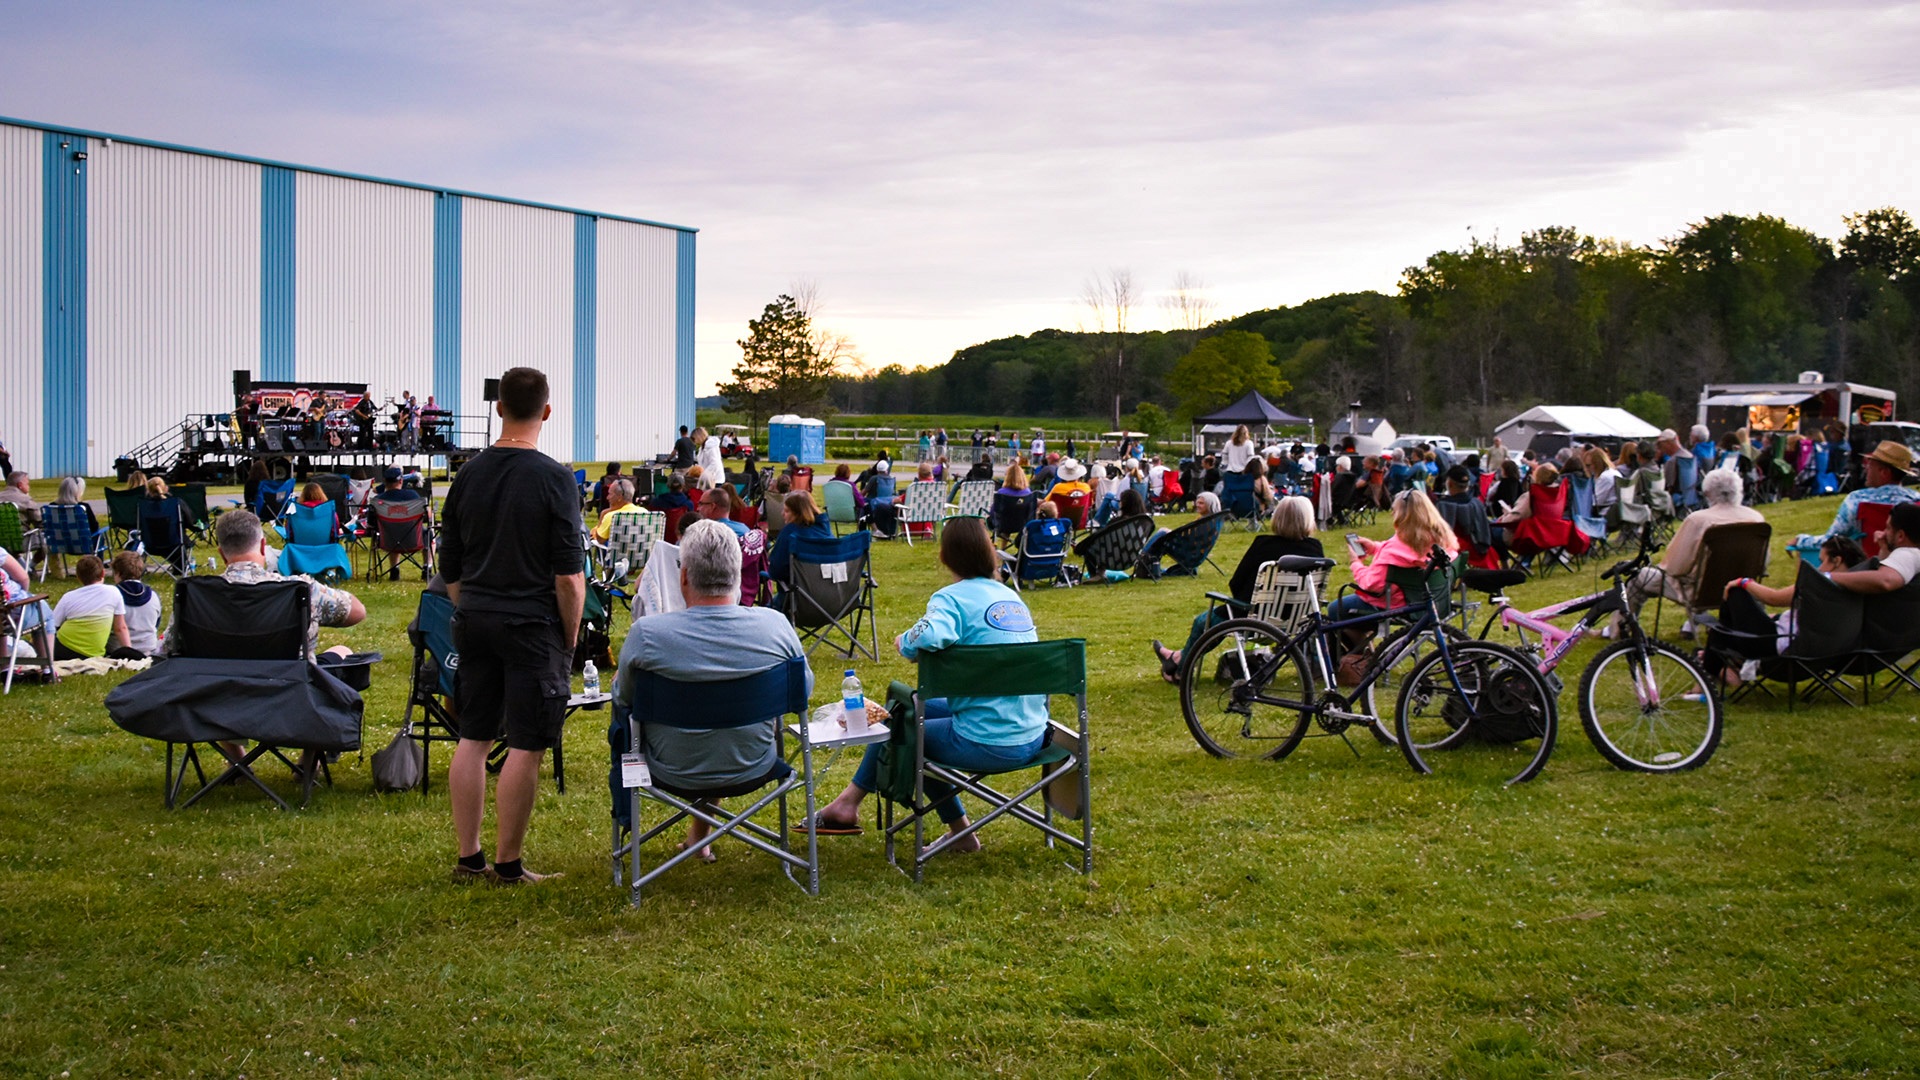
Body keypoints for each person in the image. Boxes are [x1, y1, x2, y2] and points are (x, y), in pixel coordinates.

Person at [808, 518, 1045, 852]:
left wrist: (903, 640)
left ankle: (852, 806)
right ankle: (852, 804)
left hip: (987, 738)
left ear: (945, 556)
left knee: (904, 726)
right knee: (902, 713)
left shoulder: (952, 599)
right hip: (1032, 732)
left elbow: (928, 637)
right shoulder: (1010, 598)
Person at [439, 367, 585, 886]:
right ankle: (507, 864)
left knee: (473, 737)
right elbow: (569, 576)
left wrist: (470, 604)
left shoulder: (468, 474)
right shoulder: (554, 478)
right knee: (527, 742)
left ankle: (468, 856)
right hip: (531, 624)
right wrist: (568, 636)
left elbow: (448, 563)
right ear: (546, 411)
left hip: (474, 618)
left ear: (498, 408)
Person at [614, 518, 811, 861]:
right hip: (753, 762)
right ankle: (701, 835)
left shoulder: (648, 634)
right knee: (726, 719)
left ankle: (631, 826)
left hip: (671, 767)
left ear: (685, 576)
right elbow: (802, 691)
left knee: (624, 713)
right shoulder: (776, 626)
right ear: (737, 575)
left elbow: (624, 698)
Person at [1151, 495, 1322, 682]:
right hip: (1298, 622)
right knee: (1209, 622)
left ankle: (1179, 670)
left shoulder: (1263, 545)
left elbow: (1236, 583)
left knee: (1203, 622)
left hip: (1253, 620)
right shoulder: (1315, 549)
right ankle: (1175, 658)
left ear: (1278, 518)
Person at [1706, 535, 1866, 687]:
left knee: (1735, 595)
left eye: (1822, 561)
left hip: (1776, 646)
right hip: (1820, 654)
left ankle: (1713, 666)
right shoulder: (1858, 589)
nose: (1819, 568)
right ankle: (1717, 664)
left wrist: (1744, 582)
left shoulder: (1820, 586)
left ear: (1837, 561)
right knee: (1721, 631)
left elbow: (1774, 598)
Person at [1622, 467, 1765, 623]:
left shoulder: (1698, 520)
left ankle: (1620, 628)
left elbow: (1675, 567)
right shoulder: (1755, 518)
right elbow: (1762, 564)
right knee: (1698, 572)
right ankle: (1690, 626)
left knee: (1639, 576)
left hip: (1700, 593)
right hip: (1742, 589)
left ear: (1708, 493)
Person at [1330, 489, 1458, 622]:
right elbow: (1410, 553)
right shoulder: (1443, 541)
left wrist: (1355, 563)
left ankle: (1364, 642)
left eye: (1394, 510)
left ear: (1403, 515)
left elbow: (1371, 585)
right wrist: (1374, 547)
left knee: (1335, 609)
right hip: (1434, 603)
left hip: (1398, 605)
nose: (1392, 514)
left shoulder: (1394, 552)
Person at [1805, 440, 1918, 546]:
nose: (1866, 468)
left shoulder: (1857, 500)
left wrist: (1802, 540)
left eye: (1870, 465)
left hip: (1864, 564)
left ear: (1884, 472)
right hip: (1908, 565)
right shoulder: (1916, 502)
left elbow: (1832, 540)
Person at [767, 490, 832, 589]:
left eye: (787, 511)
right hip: (829, 596)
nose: (782, 514)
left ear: (798, 513)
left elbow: (776, 571)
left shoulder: (791, 533)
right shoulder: (826, 531)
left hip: (796, 597)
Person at [111, 551, 162, 655]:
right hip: (149, 647)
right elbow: (157, 622)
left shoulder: (112, 595)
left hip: (119, 648)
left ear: (118, 573)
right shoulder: (153, 596)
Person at [591, 477, 647, 543]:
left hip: (618, 553)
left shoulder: (612, 516)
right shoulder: (645, 513)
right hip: (643, 552)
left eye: (610, 494)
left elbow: (600, 540)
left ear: (619, 497)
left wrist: (603, 513)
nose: (607, 497)